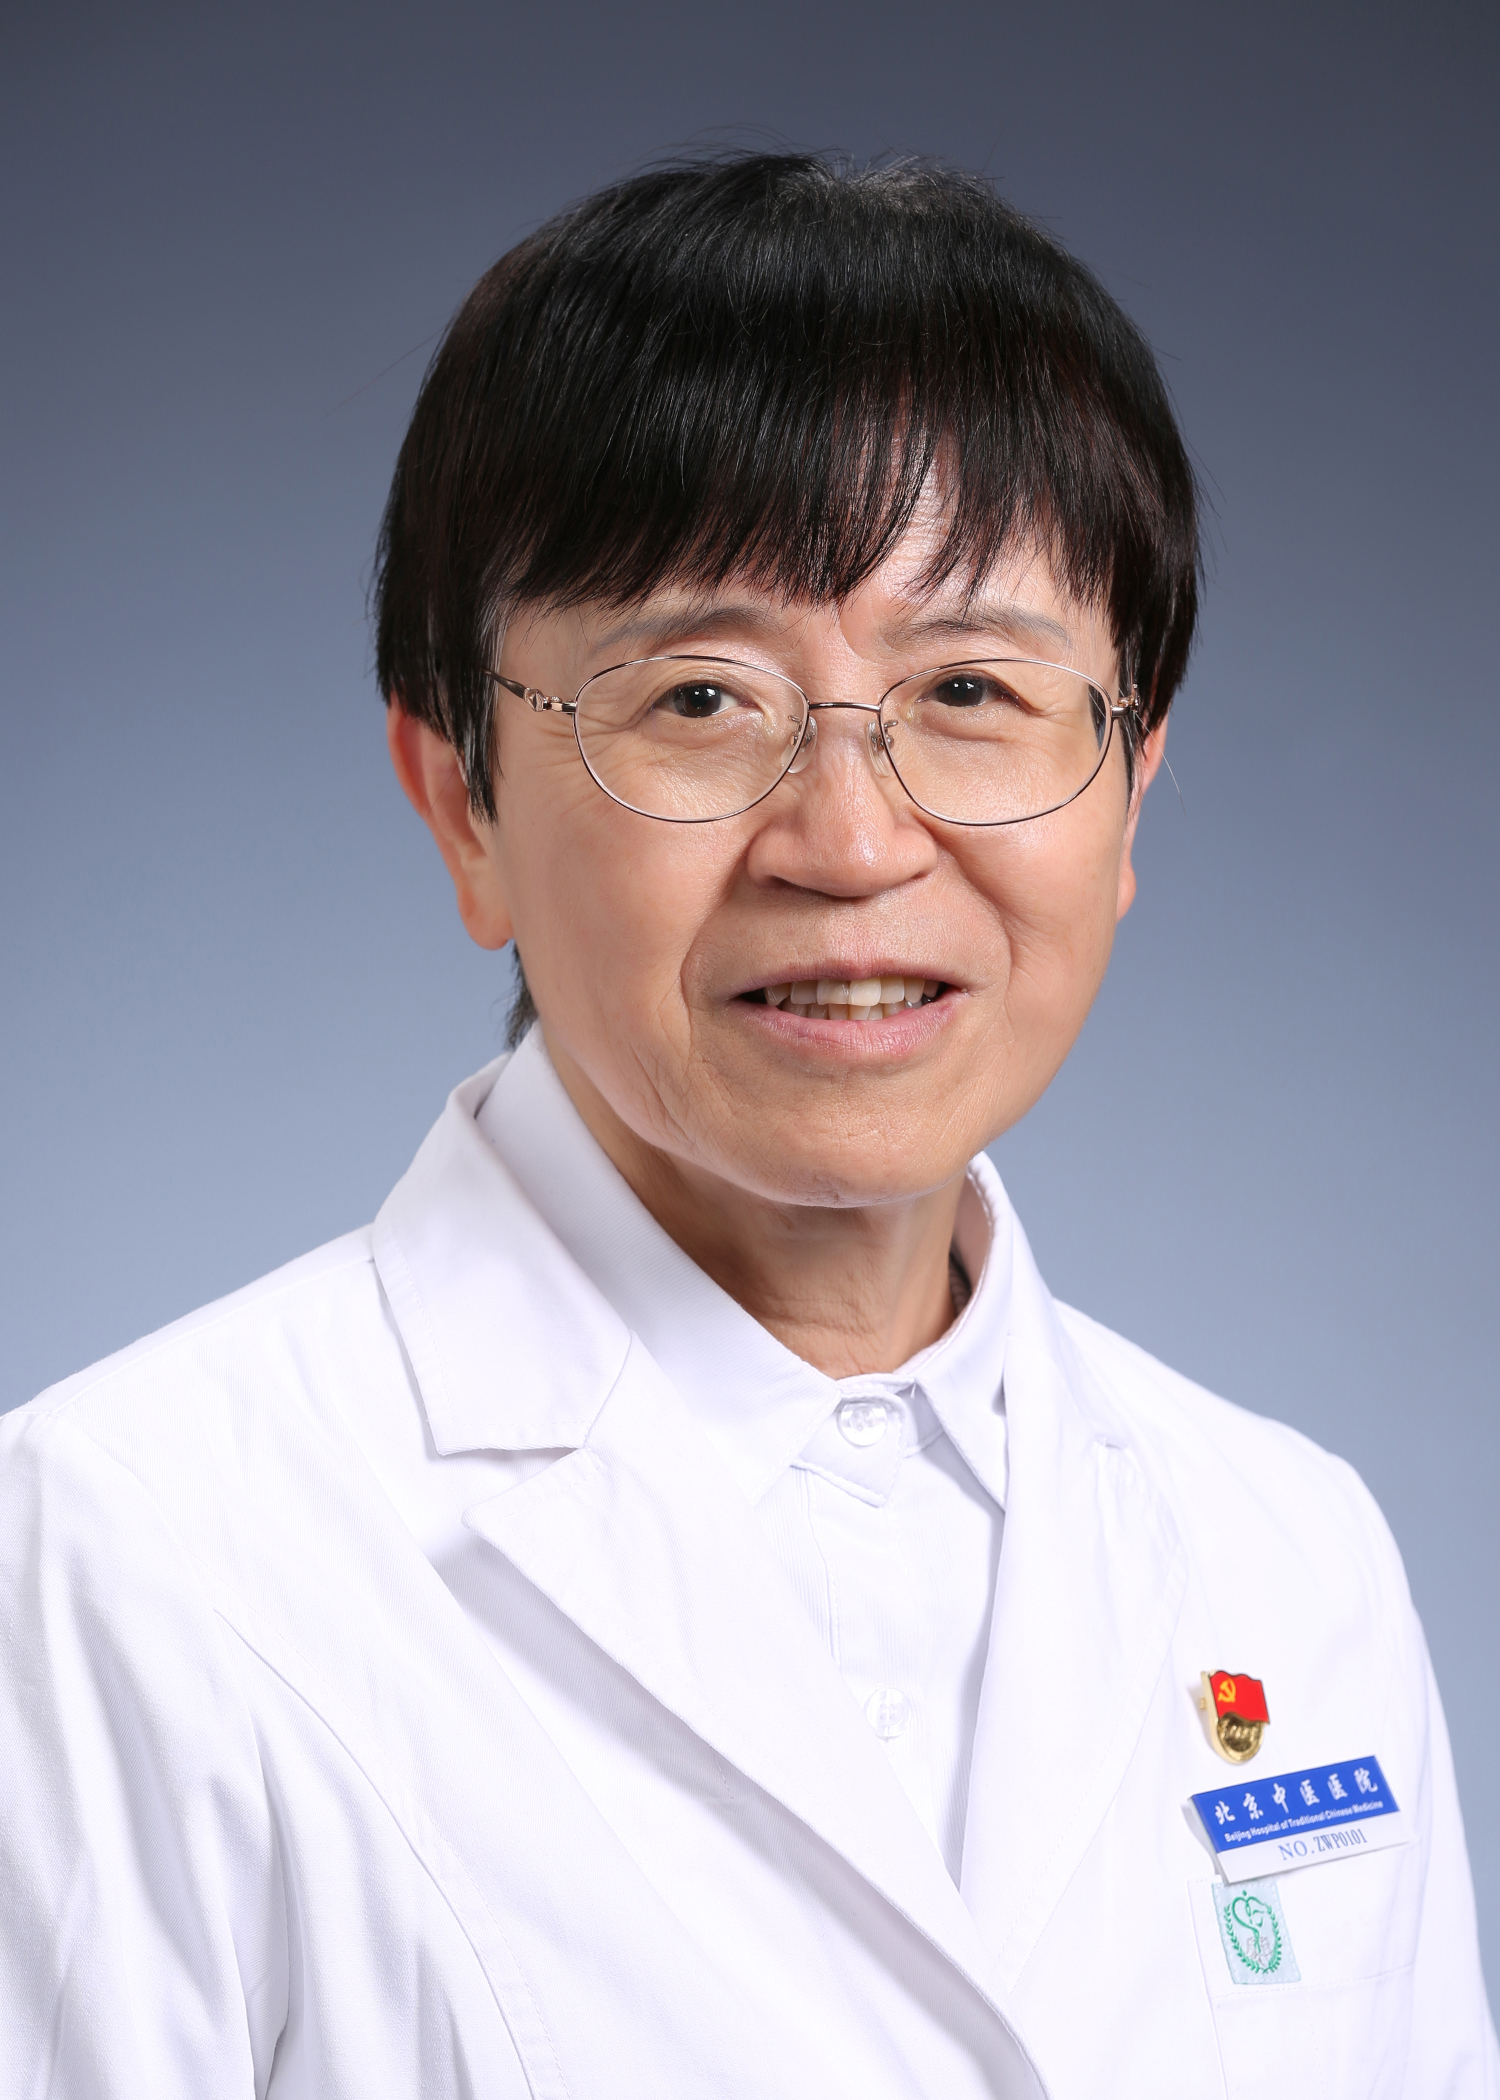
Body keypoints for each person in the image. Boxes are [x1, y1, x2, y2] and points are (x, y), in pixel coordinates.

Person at [0, 153, 1492, 2099]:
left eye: (974, 688)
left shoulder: (1289, 1551)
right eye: (702, 698)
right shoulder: (123, 1552)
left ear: (1130, 789)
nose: (854, 844)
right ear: (462, 802)